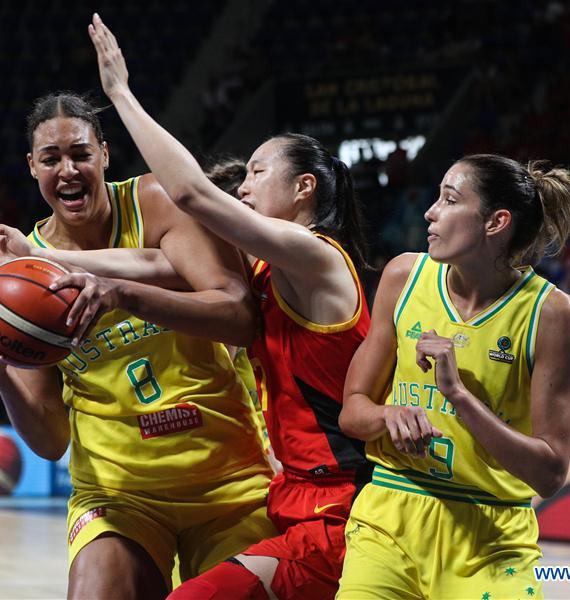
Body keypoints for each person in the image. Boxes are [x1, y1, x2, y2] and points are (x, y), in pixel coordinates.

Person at [87, 15, 372, 599]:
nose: (242, 186)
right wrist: (38, 257)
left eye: (256, 173)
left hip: (342, 506)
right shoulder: (267, 267)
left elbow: (190, 193)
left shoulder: (316, 256)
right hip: (298, 494)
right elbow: (152, 264)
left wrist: (120, 94)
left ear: (304, 189)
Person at [0, 87, 274, 598]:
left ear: (104, 154)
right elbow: (49, 441)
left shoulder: (154, 202)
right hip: (118, 491)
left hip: (228, 479)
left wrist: (123, 296)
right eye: (51, 158)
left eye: (81, 153)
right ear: (32, 167)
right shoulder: (19, 276)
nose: (68, 169)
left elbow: (240, 318)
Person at [337, 153, 570, 598]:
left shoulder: (551, 313)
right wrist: (388, 415)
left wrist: (460, 398)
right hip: (390, 517)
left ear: (496, 222)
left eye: (450, 200)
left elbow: (550, 474)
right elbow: (352, 410)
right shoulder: (403, 276)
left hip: (492, 537)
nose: (430, 211)